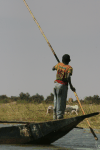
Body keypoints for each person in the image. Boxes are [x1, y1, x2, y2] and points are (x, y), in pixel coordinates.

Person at [52, 54, 76, 120]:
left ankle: (54, 118)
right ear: (68, 61)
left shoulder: (59, 65)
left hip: (56, 85)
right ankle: (59, 118)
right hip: (62, 85)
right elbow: (68, 77)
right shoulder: (69, 68)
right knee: (61, 102)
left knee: (56, 102)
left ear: (62, 60)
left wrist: (59, 65)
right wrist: (71, 86)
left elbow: (53, 68)